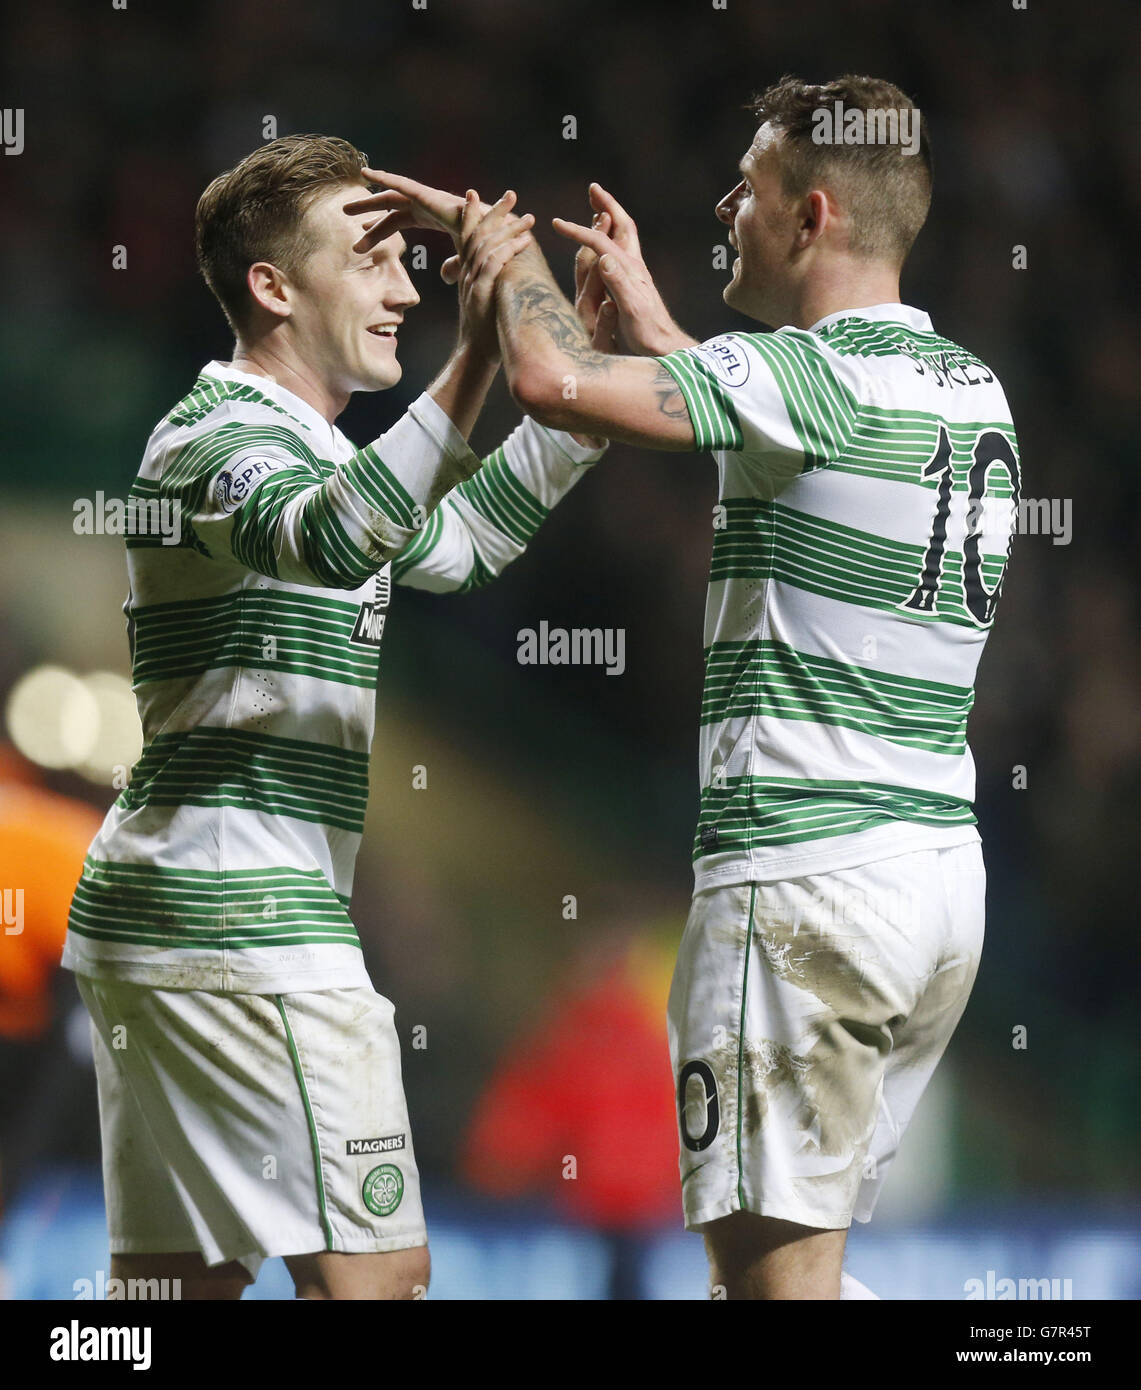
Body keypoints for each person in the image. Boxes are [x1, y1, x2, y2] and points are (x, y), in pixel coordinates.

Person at [362, 72, 1021, 1300]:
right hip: (933, 880)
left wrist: (505, 259)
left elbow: (561, 384)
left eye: (750, 188)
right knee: (785, 1274)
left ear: (811, 216)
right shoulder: (966, 388)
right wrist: (663, 334)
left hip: (803, 883)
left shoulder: (805, 385)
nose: (724, 205)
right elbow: (762, 415)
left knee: (771, 1285)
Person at [61, 134, 605, 1301]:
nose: (409, 288)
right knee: (380, 1281)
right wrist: (470, 360)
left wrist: (579, 380)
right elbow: (329, 535)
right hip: (239, 917)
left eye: (416, 263)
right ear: (272, 285)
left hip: (177, 921)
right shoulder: (210, 441)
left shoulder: (319, 450)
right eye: (375, 262)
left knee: (171, 1295)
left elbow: (455, 546)